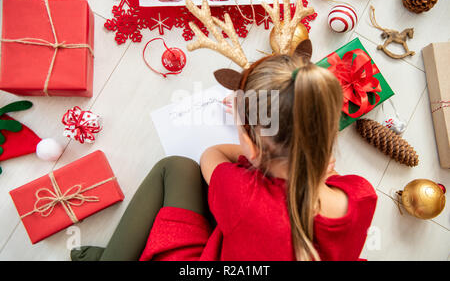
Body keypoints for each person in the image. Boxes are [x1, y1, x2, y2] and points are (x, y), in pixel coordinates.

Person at [71, 43, 377, 261]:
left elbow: (211, 154)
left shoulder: (242, 193)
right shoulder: (362, 195)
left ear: (255, 146)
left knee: (175, 166)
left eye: (242, 130)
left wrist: (248, 139)